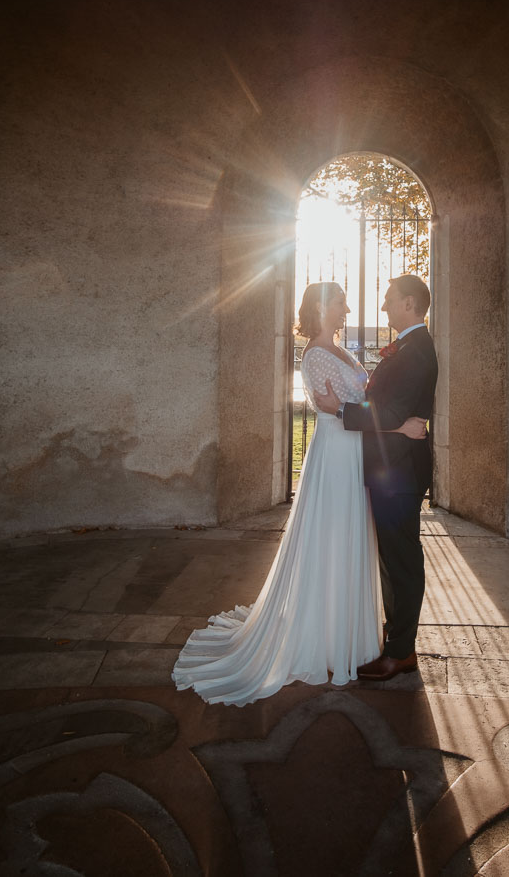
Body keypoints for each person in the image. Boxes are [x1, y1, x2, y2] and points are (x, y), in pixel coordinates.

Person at [171, 281, 428, 706]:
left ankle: (347, 631)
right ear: (322, 307)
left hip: (355, 455)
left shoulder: (340, 351)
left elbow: (360, 404)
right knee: (331, 540)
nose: (348, 308)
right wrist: (398, 426)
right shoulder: (314, 356)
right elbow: (338, 411)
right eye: (342, 302)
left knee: (350, 540)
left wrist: (376, 411)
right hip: (335, 458)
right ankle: (324, 637)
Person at [313, 273, 438, 680]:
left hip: (399, 471)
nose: (383, 307)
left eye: (388, 300)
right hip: (393, 466)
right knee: (392, 558)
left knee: (401, 560)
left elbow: (386, 413)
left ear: (408, 304)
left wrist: (339, 410)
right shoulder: (408, 347)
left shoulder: (416, 352)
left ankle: (401, 651)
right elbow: (386, 404)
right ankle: (396, 636)